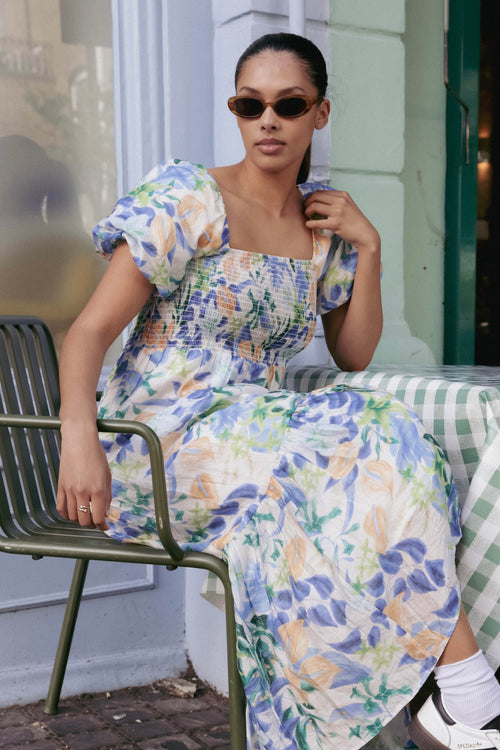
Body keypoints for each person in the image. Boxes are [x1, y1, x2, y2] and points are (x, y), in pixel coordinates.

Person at [56, 32, 500, 750]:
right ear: (236, 110)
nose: (268, 119)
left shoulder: (320, 228)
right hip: (154, 441)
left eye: (288, 104)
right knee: (331, 460)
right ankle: (469, 691)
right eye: (250, 103)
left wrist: (370, 248)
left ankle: (451, 691)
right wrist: (80, 437)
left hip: (254, 431)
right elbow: (87, 332)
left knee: (388, 429)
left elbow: (353, 355)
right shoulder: (188, 197)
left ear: (318, 114)